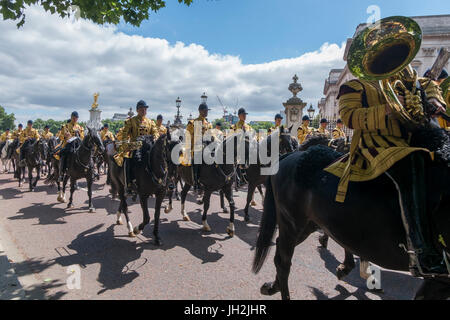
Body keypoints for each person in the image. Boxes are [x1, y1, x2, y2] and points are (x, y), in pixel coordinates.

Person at [324, 68, 448, 276]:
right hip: (376, 145)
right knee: (412, 162)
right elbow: (350, 117)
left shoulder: (407, 79)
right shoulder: (356, 86)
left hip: (412, 140)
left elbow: (429, 85)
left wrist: (434, 100)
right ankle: (422, 248)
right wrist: (387, 108)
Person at [117, 100, 159, 194]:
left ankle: (159, 180)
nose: (144, 111)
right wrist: (125, 146)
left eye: (145, 109)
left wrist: (155, 138)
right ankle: (129, 183)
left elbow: (155, 132)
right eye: (141, 109)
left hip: (148, 147)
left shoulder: (150, 122)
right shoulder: (131, 121)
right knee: (127, 160)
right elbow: (124, 134)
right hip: (134, 146)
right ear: (137, 110)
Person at [185, 102, 213, 188]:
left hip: (207, 147)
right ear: (200, 111)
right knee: (197, 159)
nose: (206, 112)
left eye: (207, 111)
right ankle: (196, 180)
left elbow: (211, 135)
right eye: (204, 111)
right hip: (196, 148)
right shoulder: (193, 122)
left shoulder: (209, 124)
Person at [57, 112, 85, 181]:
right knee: (63, 154)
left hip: (77, 144)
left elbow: (82, 137)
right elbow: (60, 137)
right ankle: (61, 173)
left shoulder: (79, 127)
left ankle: (89, 169)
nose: (75, 119)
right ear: (71, 117)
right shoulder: (65, 126)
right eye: (74, 118)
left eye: (76, 118)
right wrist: (64, 136)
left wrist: (79, 133)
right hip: (68, 144)